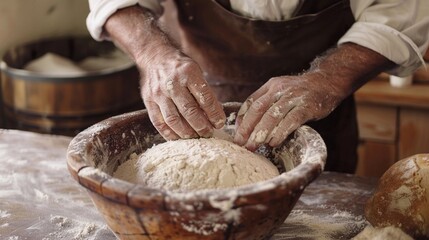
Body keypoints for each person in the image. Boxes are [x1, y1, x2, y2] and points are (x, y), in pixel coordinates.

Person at [86, 0, 429, 173]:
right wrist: (153, 54)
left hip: (321, 128)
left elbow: (401, 13)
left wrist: (327, 79)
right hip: (195, 106)